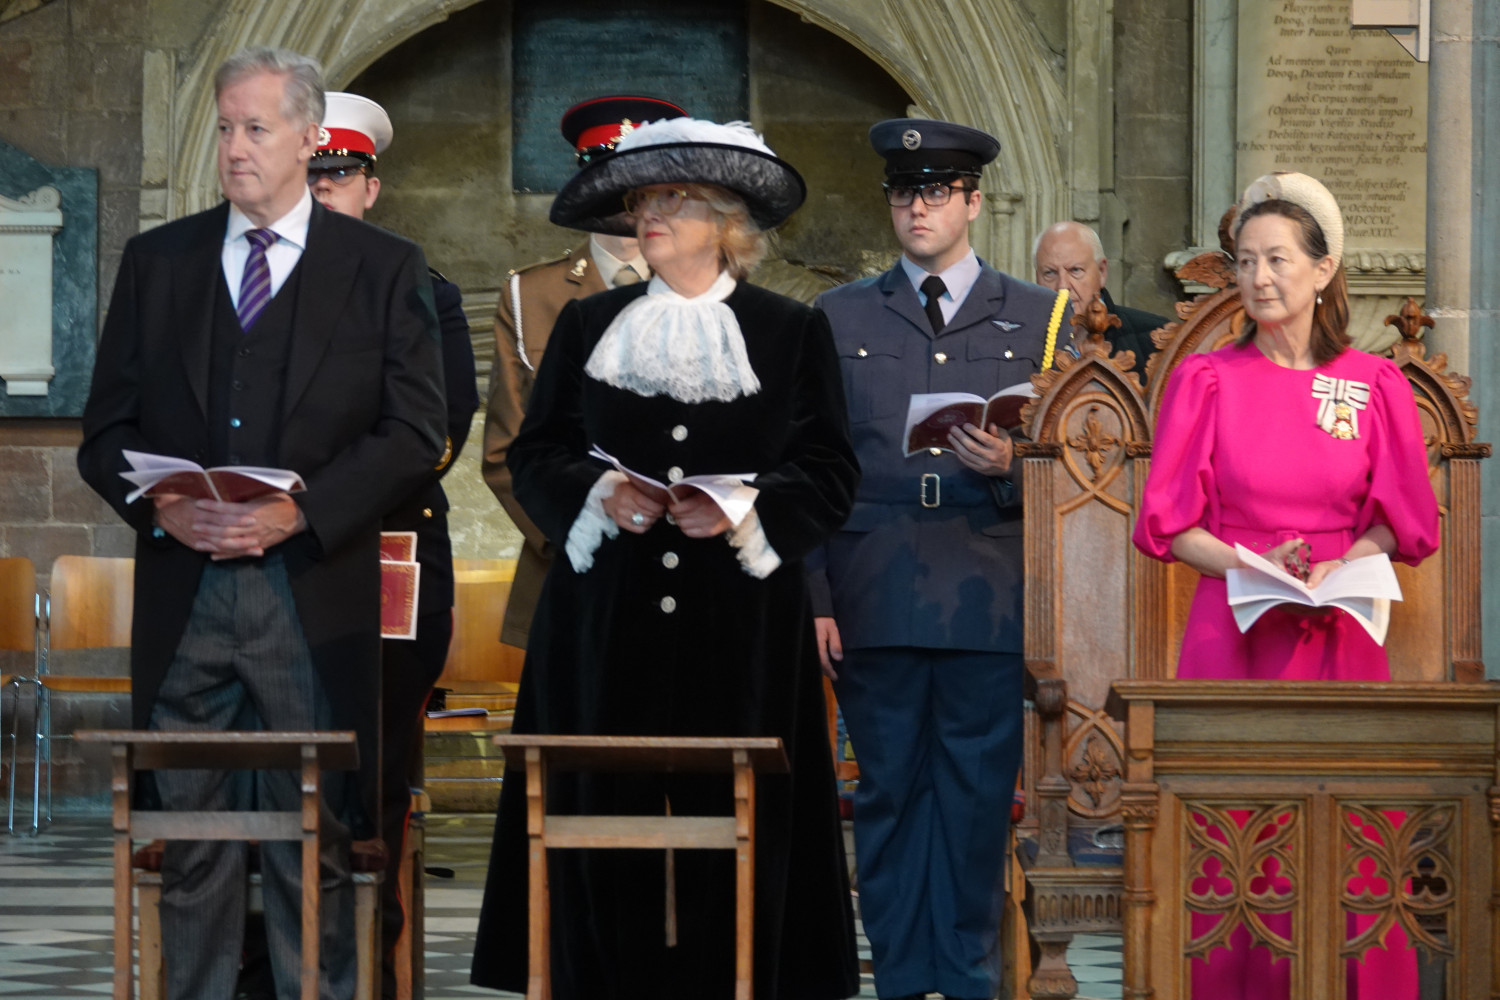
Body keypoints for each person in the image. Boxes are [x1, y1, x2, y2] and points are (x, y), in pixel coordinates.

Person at [76, 47, 447, 1000]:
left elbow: (414, 433)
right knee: (192, 846)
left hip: (309, 601)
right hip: (185, 599)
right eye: (227, 128)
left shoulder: (383, 268)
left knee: (311, 845)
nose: (235, 149)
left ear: (307, 138)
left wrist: (300, 511)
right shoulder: (158, 262)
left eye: (256, 129)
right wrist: (160, 502)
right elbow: (106, 430)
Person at [470, 115, 861, 1000]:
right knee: (600, 821)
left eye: (674, 197)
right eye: (644, 197)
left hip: (745, 630)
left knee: (746, 827)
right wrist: (602, 495)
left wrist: (743, 509)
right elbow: (537, 454)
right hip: (604, 626)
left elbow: (831, 470)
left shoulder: (790, 330)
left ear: (726, 218)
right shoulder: (588, 325)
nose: (650, 212)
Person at [1132, 171, 1440, 999]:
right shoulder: (1208, 380)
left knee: (1350, 832)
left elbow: (1405, 521)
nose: (1258, 278)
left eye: (1276, 259)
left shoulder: (1372, 385)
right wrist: (1249, 565)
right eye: (1244, 261)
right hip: (1234, 627)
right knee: (1232, 828)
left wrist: (1346, 559)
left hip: (1336, 632)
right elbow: (1167, 523)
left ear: (1323, 269)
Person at [809, 119, 1071, 1000]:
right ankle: (899, 975)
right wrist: (814, 597)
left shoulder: (1041, 317)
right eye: (901, 191)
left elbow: (1087, 470)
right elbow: (808, 466)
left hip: (988, 582)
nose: (915, 207)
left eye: (934, 192)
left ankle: (966, 976)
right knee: (884, 795)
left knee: (971, 798)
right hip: (871, 579)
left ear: (972, 202)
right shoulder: (841, 313)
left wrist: (1016, 469)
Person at [307, 90, 479, 1000]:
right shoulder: (248, 298)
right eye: (312, 174)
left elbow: (438, 428)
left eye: (339, 175)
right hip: (276, 574)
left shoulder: (424, 292)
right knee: (274, 779)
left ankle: (370, 970)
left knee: (373, 786)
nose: (325, 190)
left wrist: (307, 499)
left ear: (371, 187)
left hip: (386, 559)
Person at [481, 95, 686, 650]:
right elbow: (505, 451)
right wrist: (580, 529)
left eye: (639, 174)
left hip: (690, 572)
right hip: (568, 570)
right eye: (605, 169)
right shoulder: (532, 295)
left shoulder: (708, 293)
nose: (623, 191)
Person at [1033, 220, 1167, 377]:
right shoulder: (1018, 340)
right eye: (1050, 273)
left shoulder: (1158, 338)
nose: (1063, 286)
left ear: (1102, 272)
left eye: (1075, 270)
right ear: (1036, 278)